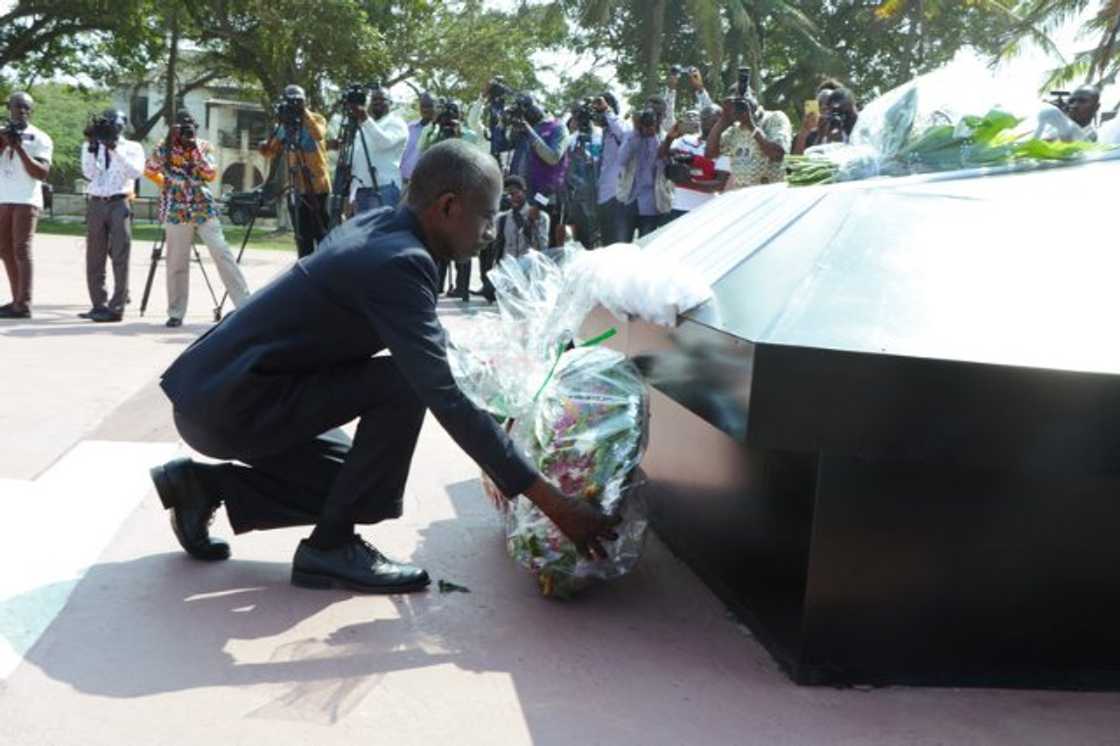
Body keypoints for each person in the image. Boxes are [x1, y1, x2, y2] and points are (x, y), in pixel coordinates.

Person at [148, 140, 620, 593]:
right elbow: (443, 393)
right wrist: (554, 503)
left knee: (356, 486)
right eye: (486, 216)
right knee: (405, 387)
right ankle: (330, 549)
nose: (491, 232)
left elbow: (432, 349)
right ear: (449, 206)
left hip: (221, 393)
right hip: (228, 407)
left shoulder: (384, 228)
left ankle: (203, 486)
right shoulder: (399, 262)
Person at [144, 110, 251, 328]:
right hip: (176, 210)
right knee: (176, 262)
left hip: (203, 207)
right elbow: (149, 170)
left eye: (190, 126)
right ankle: (176, 312)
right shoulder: (163, 148)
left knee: (222, 253)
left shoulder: (204, 146)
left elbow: (210, 174)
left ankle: (245, 305)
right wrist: (167, 183)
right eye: (182, 127)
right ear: (173, 128)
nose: (186, 131)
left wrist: (194, 150)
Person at [80, 109, 145, 323]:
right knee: (94, 257)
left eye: (115, 122)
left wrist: (114, 148)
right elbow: (89, 173)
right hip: (97, 202)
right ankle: (98, 304)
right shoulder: (92, 145)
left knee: (120, 255)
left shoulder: (133, 147)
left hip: (120, 202)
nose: (111, 126)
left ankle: (116, 307)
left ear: (123, 124)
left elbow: (135, 173)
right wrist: (93, 145)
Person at [259, 84, 331, 258]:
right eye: (292, 101)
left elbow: (318, 134)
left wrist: (303, 111)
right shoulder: (284, 125)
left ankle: (325, 267)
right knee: (303, 236)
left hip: (318, 187)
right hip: (297, 187)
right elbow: (270, 152)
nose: (295, 104)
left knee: (322, 233)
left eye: (299, 100)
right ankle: (305, 268)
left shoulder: (317, 119)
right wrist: (264, 145)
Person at [0, 91, 52, 320]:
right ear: (8, 108)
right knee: (5, 249)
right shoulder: (1, 133)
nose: (21, 111)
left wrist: (19, 148)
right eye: (17, 106)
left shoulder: (40, 137)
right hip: (3, 198)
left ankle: (24, 304)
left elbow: (41, 173)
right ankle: (16, 300)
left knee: (21, 249)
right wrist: (4, 143)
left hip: (26, 200)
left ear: (31, 111)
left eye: (26, 108)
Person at [503, 94, 567, 246]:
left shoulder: (557, 126)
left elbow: (553, 157)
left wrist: (530, 132)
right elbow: (502, 145)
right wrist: (504, 124)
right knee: (521, 244)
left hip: (545, 195)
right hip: (523, 196)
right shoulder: (523, 128)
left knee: (545, 241)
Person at [705, 81, 792, 192]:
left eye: (743, 101)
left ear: (754, 96)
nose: (739, 106)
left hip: (770, 196)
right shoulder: (734, 130)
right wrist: (723, 120)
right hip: (743, 199)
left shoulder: (774, 118)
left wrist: (751, 125)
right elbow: (710, 153)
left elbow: (777, 154)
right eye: (735, 103)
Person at [659, 105, 729, 221]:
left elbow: (719, 184)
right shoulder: (685, 140)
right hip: (678, 207)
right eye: (706, 118)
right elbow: (662, 155)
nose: (711, 124)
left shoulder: (725, 148)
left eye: (716, 121)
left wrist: (689, 182)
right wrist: (669, 138)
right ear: (701, 120)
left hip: (705, 210)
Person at [347, 86, 408, 214]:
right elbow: (357, 157)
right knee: (361, 233)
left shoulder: (397, 123)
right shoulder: (365, 125)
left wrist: (364, 118)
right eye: (374, 99)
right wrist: (352, 192)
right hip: (361, 189)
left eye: (382, 99)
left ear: (390, 103)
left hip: (383, 188)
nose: (377, 102)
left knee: (380, 232)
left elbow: (384, 142)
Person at [616, 108, 672, 240]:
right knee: (621, 246)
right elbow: (621, 159)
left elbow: (662, 164)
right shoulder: (631, 136)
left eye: (650, 123)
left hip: (651, 203)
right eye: (644, 123)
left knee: (645, 245)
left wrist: (653, 138)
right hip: (629, 200)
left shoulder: (663, 138)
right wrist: (636, 132)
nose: (647, 127)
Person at [591, 93, 628, 245]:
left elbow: (623, 133)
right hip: (601, 196)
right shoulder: (600, 134)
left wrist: (607, 110)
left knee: (616, 246)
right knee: (605, 244)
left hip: (616, 196)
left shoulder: (622, 127)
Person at [399, 92, 435, 185]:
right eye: (423, 106)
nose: (425, 109)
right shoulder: (409, 128)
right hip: (405, 181)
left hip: (429, 183)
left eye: (429, 106)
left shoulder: (438, 130)